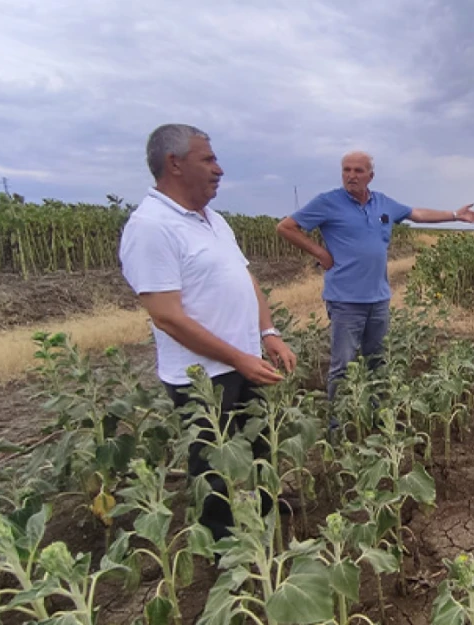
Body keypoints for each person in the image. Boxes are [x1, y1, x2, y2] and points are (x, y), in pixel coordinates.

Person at [118, 123, 298, 542]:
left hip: (245, 359)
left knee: (258, 445)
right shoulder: (150, 227)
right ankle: (224, 549)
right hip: (201, 376)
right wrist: (238, 359)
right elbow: (167, 316)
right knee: (213, 464)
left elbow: (245, 278)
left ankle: (269, 515)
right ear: (174, 164)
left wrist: (267, 332)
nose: (219, 169)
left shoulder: (212, 220)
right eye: (208, 159)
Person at [276, 150, 474, 404]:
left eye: (358, 170)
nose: (351, 175)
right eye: (346, 170)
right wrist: (320, 252)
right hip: (345, 300)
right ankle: (338, 426)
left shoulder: (383, 203)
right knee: (343, 366)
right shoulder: (327, 202)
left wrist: (454, 215)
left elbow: (416, 214)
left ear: (370, 176)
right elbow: (285, 227)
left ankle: (373, 419)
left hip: (379, 299)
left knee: (377, 363)